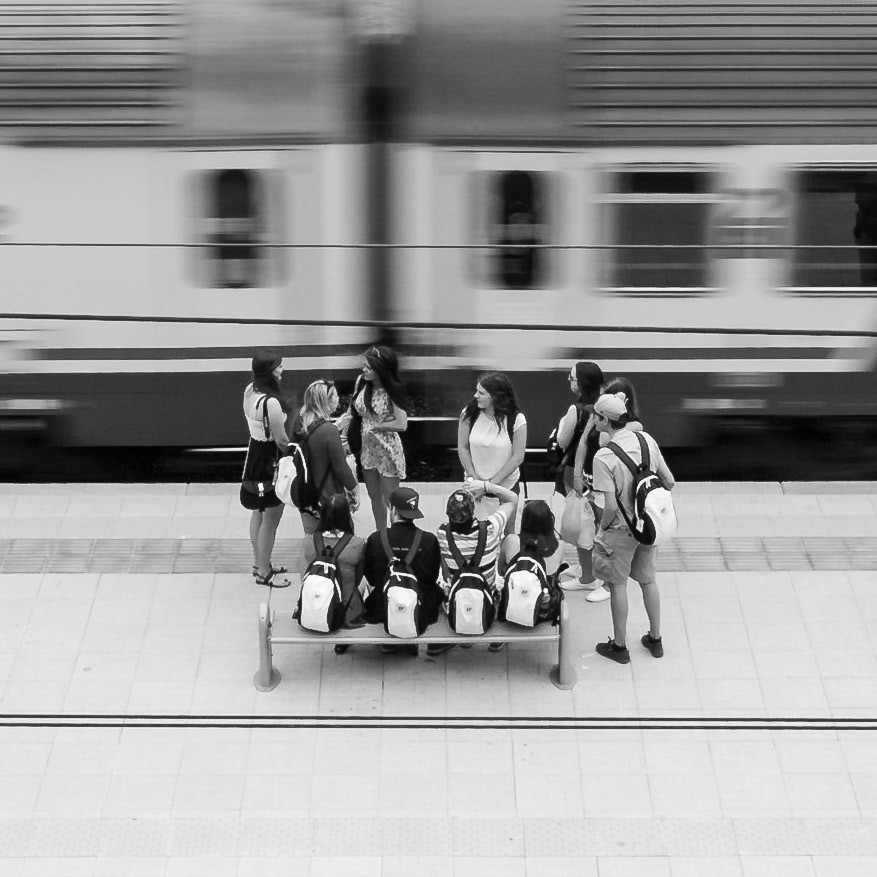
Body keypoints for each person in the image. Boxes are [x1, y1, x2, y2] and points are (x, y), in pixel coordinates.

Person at [590, 392, 675, 664]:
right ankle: (655, 640)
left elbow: (609, 507)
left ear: (605, 420)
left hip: (620, 530)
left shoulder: (604, 457)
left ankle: (619, 647)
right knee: (648, 581)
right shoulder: (646, 440)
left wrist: (602, 530)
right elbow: (669, 481)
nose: (593, 419)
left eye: (595, 415)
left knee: (618, 586)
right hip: (647, 527)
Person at [570, 376, 644, 603]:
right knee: (587, 531)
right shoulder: (598, 415)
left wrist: (611, 414)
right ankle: (588, 576)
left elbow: (604, 440)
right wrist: (577, 474)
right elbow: (584, 442)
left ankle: (608, 584)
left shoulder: (634, 426)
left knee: (607, 536)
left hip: (609, 490)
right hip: (591, 484)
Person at [434, 480, 519, 656]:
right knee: (512, 540)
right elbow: (512, 498)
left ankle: (464, 636)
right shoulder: (490, 529)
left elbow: (443, 570)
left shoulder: (442, 533)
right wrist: (486, 487)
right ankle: (496, 632)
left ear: (448, 513)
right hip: (488, 601)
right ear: (473, 511)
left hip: (457, 603)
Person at [362, 486, 443, 656]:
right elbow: (432, 578)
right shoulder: (429, 540)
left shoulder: (375, 539)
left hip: (382, 609)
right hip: (421, 611)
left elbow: (370, 578)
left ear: (393, 509)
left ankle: (388, 642)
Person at [240, 349, 293, 589]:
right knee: (271, 518)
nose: (282, 370)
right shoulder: (271, 403)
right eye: (278, 366)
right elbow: (281, 440)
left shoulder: (249, 391)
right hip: (271, 460)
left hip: (255, 456)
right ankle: (264, 572)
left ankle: (259, 562)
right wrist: (294, 453)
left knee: (258, 512)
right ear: (269, 371)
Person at [342, 345, 408, 531]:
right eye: (364, 365)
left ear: (381, 370)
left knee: (390, 499)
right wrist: (343, 430)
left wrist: (377, 426)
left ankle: (395, 535)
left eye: (369, 367)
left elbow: (402, 423)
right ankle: (381, 534)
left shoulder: (391, 390)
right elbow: (352, 410)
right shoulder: (362, 383)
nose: (364, 370)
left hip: (387, 449)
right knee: (374, 496)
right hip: (367, 449)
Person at [553, 362, 604, 594]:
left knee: (581, 523)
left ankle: (588, 577)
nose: (569, 380)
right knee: (595, 523)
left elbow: (562, 441)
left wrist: (561, 425)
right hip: (601, 473)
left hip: (577, 471)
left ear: (582, 383)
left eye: (572, 377)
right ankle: (589, 568)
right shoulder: (605, 405)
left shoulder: (577, 409)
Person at [457, 372, 527, 535]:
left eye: (481, 393)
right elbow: (463, 447)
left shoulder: (516, 419)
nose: (475, 396)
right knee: (473, 531)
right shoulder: (468, 414)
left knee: (507, 532)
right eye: (476, 391)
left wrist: (490, 485)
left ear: (496, 396)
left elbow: (517, 457)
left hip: (506, 487)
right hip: (474, 487)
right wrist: (474, 479)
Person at [299, 493, 366, 655]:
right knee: (363, 584)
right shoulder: (357, 543)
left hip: (314, 606)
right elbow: (358, 579)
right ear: (347, 517)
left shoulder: (308, 541)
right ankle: (343, 640)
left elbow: (303, 576)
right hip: (346, 612)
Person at [291, 380, 359, 536]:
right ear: (326, 401)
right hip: (329, 497)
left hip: (306, 493)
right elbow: (341, 468)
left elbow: (317, 444)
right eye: (335, 395)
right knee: (338, 541)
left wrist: (337, 425)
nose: (338, 398)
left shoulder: (301, 421)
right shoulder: (329, 431)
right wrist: (355, 489)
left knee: (311, 537)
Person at [498, 499, 564, 579]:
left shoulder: (512, 541)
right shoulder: (559, 546)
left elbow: (500, 570)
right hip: (546, 586)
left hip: (515, 585)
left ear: (525, 520)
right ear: (550, 521)